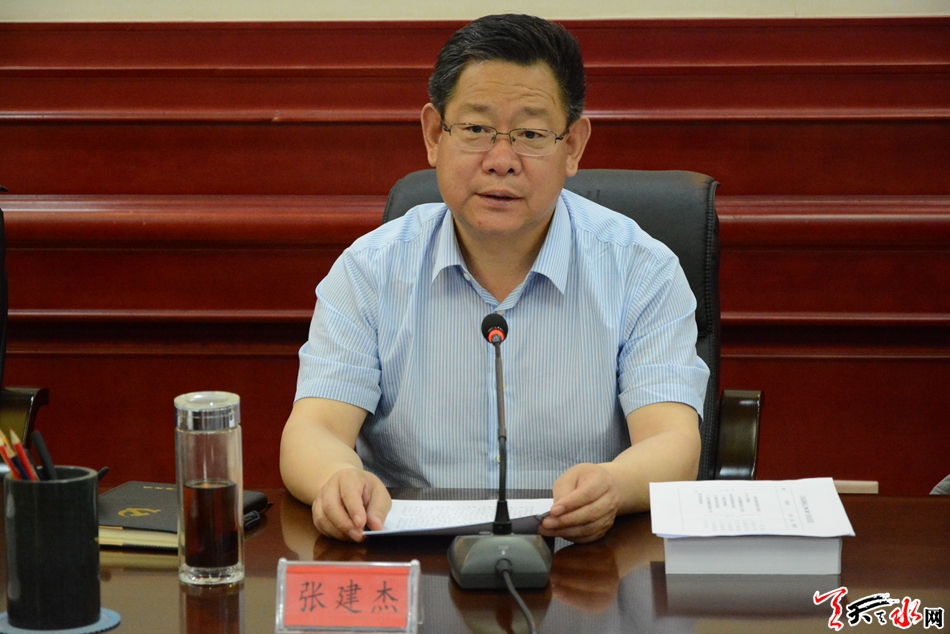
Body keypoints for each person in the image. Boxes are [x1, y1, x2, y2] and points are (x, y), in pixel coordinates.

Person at [280, 14, 709, 544]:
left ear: (573, 146)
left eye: (530, 134)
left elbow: (672, 441)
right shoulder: (371, 269)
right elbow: (314, 429)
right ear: (434, 135)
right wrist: (337, 479)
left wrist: (614, 486)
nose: (501, 161)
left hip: (582, 557)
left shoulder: (640, 270)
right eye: (477, 130)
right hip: (414, 554)